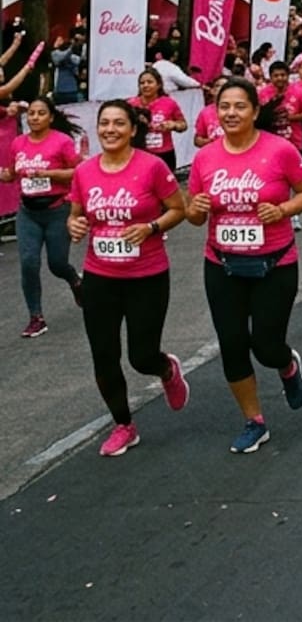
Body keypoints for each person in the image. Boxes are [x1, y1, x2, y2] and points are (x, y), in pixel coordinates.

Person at [186, 78, 302, 454]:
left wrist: (282, 210)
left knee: (265, 345)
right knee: (231, 343)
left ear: (255, 112)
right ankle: (254, 421)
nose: (230, 113)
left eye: (239, 106)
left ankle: (287, 365)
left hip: (274, 263)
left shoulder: (280, 151)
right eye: (223, 106)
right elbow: (195, 214)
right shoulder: (205, 157)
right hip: (222, 263)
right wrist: (194, 210)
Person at [66, 99, 190, 457]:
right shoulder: (85, 171)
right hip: (100, 276)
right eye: (104, 123)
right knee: (103, 355)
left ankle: (165, 368)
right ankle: (124, 425)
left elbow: (178, 209)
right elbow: (77, 216)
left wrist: (150, 227)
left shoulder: (151, 167)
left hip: (146, 275)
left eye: (119, 123)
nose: (110, 130)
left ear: (133, 129)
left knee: (141, 355)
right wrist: (74, 225)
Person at [3, 95, 83, 337]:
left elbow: (77, 172)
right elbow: (10, 174)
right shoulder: (18, 143)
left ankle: (75, 280)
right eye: (31, 114)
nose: (35, 118)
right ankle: (35, 317)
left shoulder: (62, 142)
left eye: (40, 113)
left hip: (57, 210)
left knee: (57, 264)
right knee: (29, 263)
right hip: (28, 212)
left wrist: (47, 173)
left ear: (50, 117)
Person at [130, 67, 187, 172]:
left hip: (164, 153)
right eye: (142, 83)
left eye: (150, 82)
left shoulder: (169, 103)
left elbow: (183, 125)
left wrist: (173, 125)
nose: (145, 85)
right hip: (139, 153)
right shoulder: (131, 104)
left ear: (159, 85)